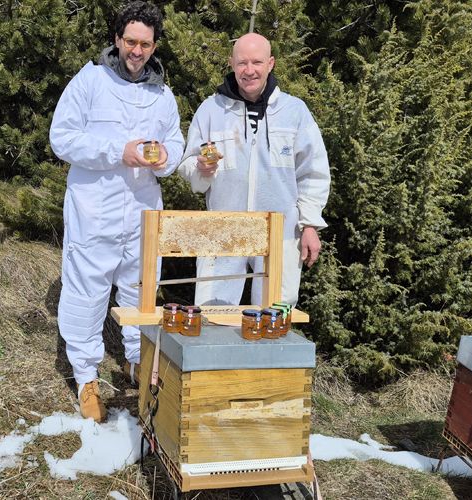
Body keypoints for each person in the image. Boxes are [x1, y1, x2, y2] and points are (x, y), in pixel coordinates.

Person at [49, 2, 184, 422]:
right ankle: (86, 378)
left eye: (145, 43)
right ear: (117, 39)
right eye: (130, 41)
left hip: (143, 212)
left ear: (154, 45)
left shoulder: (162, 92)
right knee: (86, 295)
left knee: (140, 291)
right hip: (96, 213)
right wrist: (116, 152)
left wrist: (165, 158)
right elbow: (62, 138)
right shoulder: (89, 81)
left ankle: (134, 362)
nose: (137, 50)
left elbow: (177, 142)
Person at [177, 33, 330, 308]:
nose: (250, 70)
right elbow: (188, 164)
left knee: (274, 321)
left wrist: (309, 224)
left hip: (279, 235)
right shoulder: (211, 110)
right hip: (222, 233)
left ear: (270, 63)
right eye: (242, 63)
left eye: (257, 62)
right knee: (214, 318)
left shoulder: (295, 112)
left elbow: (312, 173)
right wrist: (201, 169)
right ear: (231, 64)